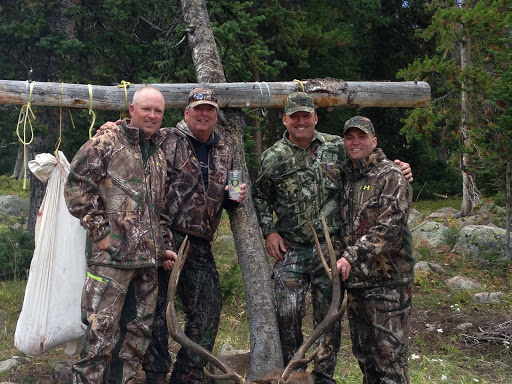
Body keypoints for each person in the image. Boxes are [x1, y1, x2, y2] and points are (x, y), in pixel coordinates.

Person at [252, 92, 412, 384]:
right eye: (295, 117)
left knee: (330, 317)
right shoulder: (272, 157)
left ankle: (323, 377)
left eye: (306, 116)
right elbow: (260, 196)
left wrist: (399, 167)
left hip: (332, 249)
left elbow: (369, 160)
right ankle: (293, 374)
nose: (301, 122)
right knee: (287, 314)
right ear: (285, 119)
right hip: (292, 248)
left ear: (315, 118)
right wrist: (269, 230)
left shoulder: (337, 147)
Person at [101, 87, 247, 384]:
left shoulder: (224, 151)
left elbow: (220, 195)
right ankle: (154, 375)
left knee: (208, 311)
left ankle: (186, 376)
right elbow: (130, 139)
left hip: (200, 244)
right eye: (198, 109)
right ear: (186, 113)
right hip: (163, 238)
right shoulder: (165, 138)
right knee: (155, 313)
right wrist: (112, 128)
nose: (203, 114)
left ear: (216, 115)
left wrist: (233, 198)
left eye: (209, 110)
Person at [65, 86, 176, 384]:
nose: (152, 115)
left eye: (158, 111)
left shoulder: (158, 154)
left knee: (135, 343)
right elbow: (77, 184)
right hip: (111, 262)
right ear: (131, 111)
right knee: (99, 340)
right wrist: (99, 232)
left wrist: (163, 245)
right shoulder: (107, 141)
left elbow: (159, 206)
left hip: (146, 265)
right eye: (146, 109)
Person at [336, 116, 414, 384]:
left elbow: (388, 231)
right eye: (349, 137)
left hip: (387, 285)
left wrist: (350, 256)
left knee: (389, 360)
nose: (355, 142)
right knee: (365, 359)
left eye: (361, 136)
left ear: (374, 141)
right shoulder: (348, 177)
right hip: (356, 285)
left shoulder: (390, 175)